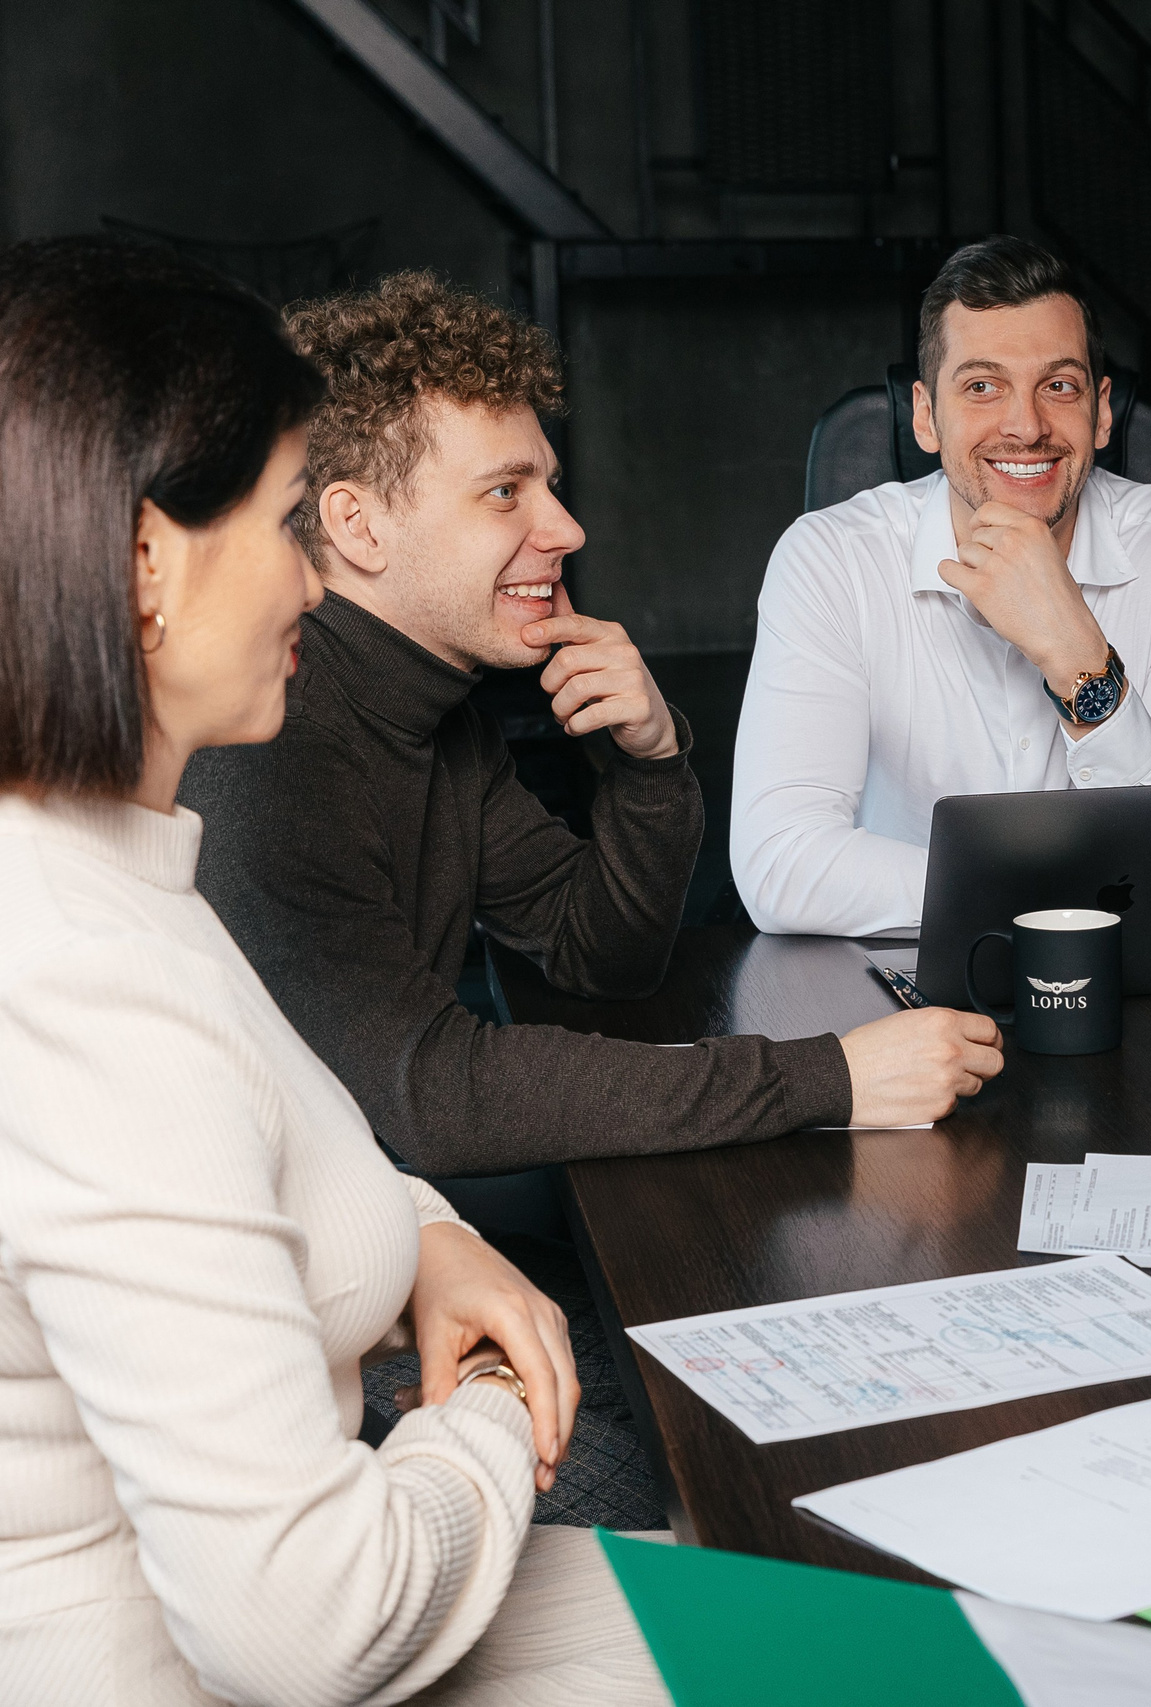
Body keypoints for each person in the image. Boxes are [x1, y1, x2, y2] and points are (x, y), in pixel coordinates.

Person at [0, 239, 666, 1704]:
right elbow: (306, 1625)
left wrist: (426, 1234)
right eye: (292, 518)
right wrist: (494, 1404)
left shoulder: (113, 858)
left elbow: (273, 1112)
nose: (318, 571)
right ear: (144, 564)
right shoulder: (77, 972)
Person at [177, 273, 1001, 1176]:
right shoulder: (269, 740)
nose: (565, 528)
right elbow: (439, 1096)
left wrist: (648, 764)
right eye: (505, 493)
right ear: (358, 524)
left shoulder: (438, 713)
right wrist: (831, 1078)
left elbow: (601, 955)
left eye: (550, 485)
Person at [731, 235, 1151, 937]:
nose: (1025, 425)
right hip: (903, 993)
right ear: (925, 415)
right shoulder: (828, 560)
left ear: (1101, 412)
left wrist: (1078, 657)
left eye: (1059, 385)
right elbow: (779, 864)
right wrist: (1047, 898)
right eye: (982, 385)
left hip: (1138, 994)